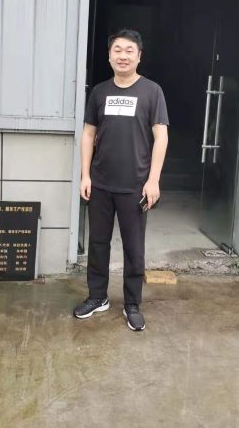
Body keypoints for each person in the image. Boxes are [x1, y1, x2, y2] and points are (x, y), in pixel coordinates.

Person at [73, 29, 169, 331]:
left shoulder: (152, 91)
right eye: (117, 50)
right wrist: (85, 175)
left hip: (135, 186)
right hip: (100, 183)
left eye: (129, 50)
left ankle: (132, 304)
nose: (123, 56)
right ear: (109, 55)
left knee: (133, 248)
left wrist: (153, 180)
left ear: (139, 56)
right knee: (98, 243)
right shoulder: (99, 92)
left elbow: (161, 136)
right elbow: (88, 133)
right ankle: (97, 297)